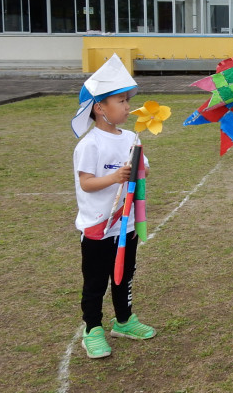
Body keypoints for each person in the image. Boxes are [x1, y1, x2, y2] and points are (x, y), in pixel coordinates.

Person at [71, 54, 156, 359]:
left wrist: (138, 170)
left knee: (124, 275)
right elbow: (87, 183)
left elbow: (142, 170)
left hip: (127, 224)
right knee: (95, 281)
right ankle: (92, 328)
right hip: (98, 226)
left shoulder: (132, 137)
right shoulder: (89, 144)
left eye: (125, 100)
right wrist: (114, 177)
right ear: (100, 108)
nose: (126, 106)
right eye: (120, 101)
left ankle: (124, 320)